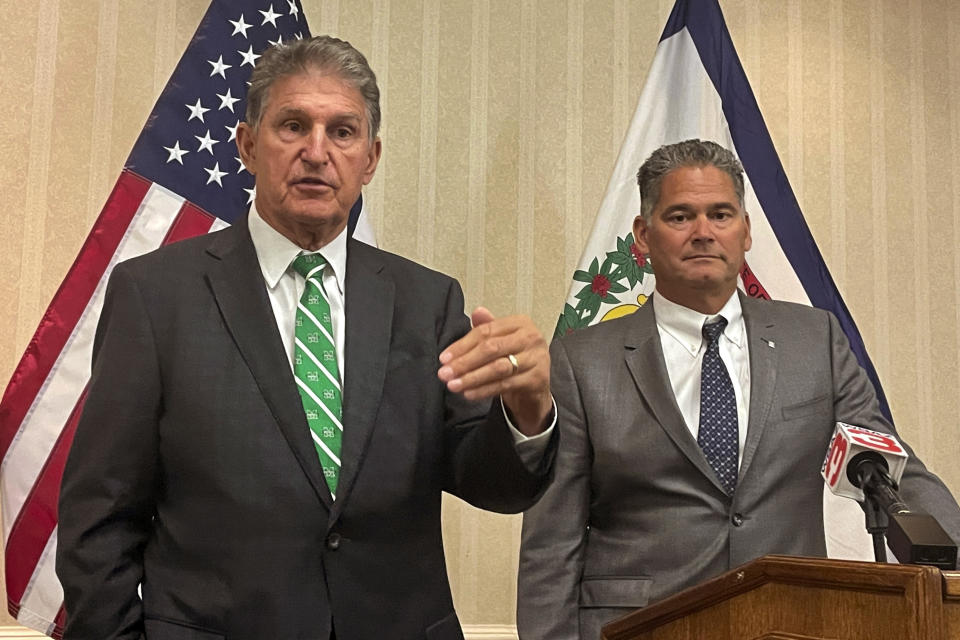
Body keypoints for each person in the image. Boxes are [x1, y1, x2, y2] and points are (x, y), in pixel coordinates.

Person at [56, 36, 556, 640]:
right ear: (246, 145)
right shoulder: (156, 295)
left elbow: (493, 485)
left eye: (342, 132)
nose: (317, 152)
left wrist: (527, 409)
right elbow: (99, 519)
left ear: (370, 158)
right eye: (293, 126)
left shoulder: (427, 302)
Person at [516, 139, 960, 639]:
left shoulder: (814, 339)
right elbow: (552, 541)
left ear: (745, 231)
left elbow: (890, 471)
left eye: (721, 215)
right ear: (642, 235)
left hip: (791, 622)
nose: (703, 232)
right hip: (640, 626)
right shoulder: (581, 361)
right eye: (680, 217)